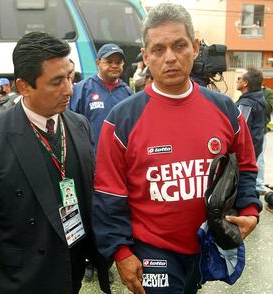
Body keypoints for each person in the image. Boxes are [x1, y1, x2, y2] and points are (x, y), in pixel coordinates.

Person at [92, 3, 262, 294]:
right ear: (145, 57)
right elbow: (109, 194)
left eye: (179, 45)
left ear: (194, 48)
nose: (170, 57)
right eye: (158, 50)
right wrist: (120, 251)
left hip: (204, 244)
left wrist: (249, 210)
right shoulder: (121, 120)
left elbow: (245, 166)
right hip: (152, 250)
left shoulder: (224, 109)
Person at [0, 32, 110, 294]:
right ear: (24, 86)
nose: (68, 89)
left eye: (70, 77)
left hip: (71, 263)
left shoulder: (79, 125)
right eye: (56, 82)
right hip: (22, 274)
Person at [69, 43, 133, 152]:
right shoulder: (82, 89)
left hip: (120, 161)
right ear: (98, 63)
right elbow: (70, 124)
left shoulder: (128, 94)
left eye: (118, 62)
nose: (114, 66)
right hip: (91, 159)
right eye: (109, 61)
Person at [236, 67, 266, 195]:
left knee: (242, 186)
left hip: (244, 153)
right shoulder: (258, 99)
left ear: (245, 83)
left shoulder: (247, 103)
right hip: (255, 148)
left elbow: (240, 130)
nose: (237, 81)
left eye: (239, 79)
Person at [256, 85, 273, 196]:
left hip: (262, 130)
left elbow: (268, 107)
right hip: (251, 130)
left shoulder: (268, 93)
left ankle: (259, 185)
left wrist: (256, 96)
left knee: (260, 159)